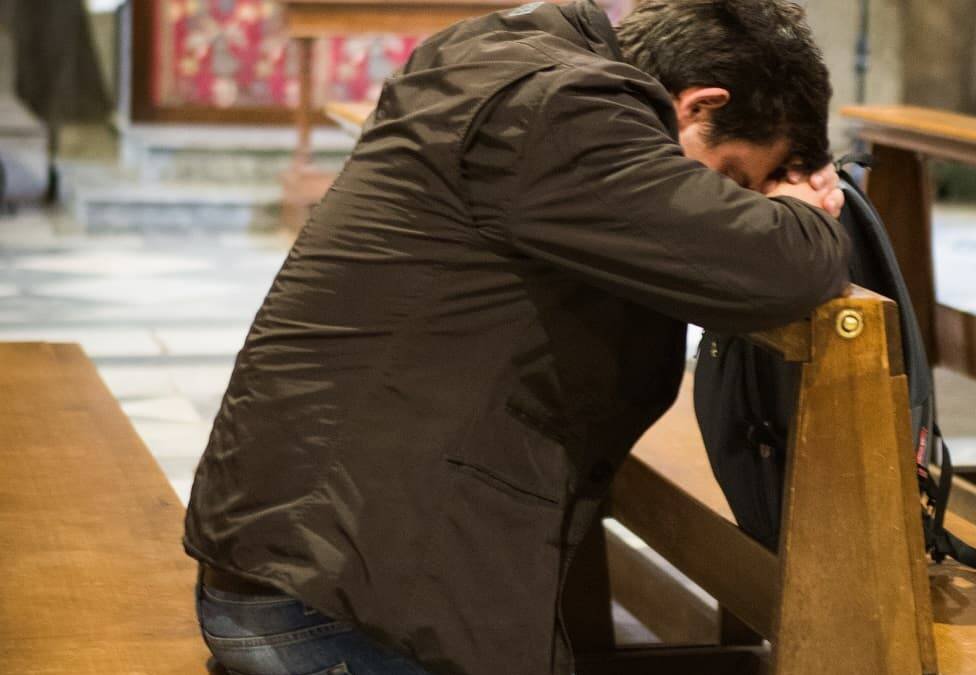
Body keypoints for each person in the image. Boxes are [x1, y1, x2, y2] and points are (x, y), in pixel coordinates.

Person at [185, 0, 849, 673]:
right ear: (700, 106)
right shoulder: (563, 111)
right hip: (333, 609)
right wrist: (806, 215)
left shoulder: (512, 70)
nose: (733, 203)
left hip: (314, 574)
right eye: (733, 179)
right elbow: (776, 267)